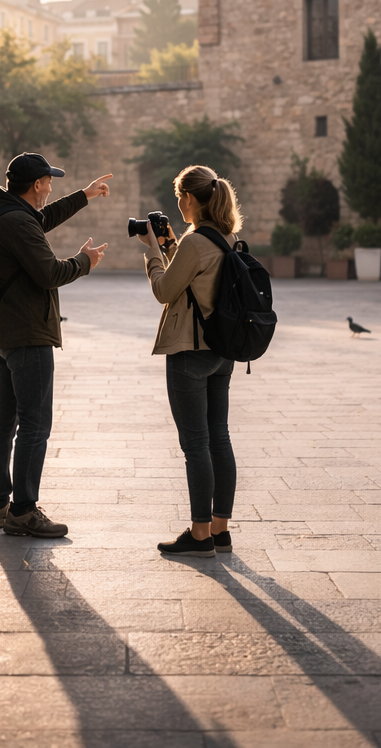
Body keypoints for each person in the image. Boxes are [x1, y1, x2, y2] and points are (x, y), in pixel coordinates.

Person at [0, 152, 112, 538]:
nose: (51, 187)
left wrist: (82, 196)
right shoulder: (18, 221)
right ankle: (22, 511)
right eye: (48, 182)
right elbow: (49, 272)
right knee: (35, 423)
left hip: (3, 332)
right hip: (27, 336)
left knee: (4, 419)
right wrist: (84, 262)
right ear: (37, 184)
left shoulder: (0, 210)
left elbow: (40, 221)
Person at [137, 164, 243, 558]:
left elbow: (166, 290)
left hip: (189, 353)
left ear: (192, 199)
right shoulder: (226, 238)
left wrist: (151, 252)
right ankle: (220, 529)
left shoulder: (196, 241)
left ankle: (199, 536)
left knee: (195, 444)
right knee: (219, 437)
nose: (178, 203)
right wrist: (170, 246)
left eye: (181, 196)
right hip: (223, 351)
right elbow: (194, 277)